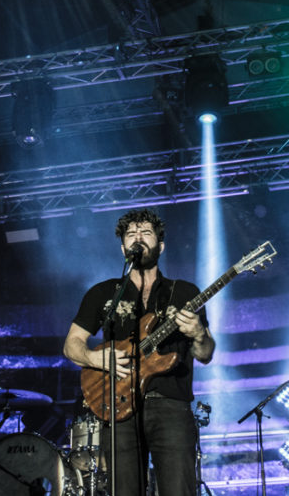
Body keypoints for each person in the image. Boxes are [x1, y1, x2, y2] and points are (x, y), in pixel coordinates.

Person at [63, 208, 215, 496]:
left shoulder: (183, 292)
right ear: (123, 249)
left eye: (146, 233)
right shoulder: (102, 293)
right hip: (117, 406)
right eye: (131, 234)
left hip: (171, 405)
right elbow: (72, 344)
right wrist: (95, 357)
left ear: (161, 245)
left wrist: (198, 333)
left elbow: (205, 354)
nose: (138, 238)